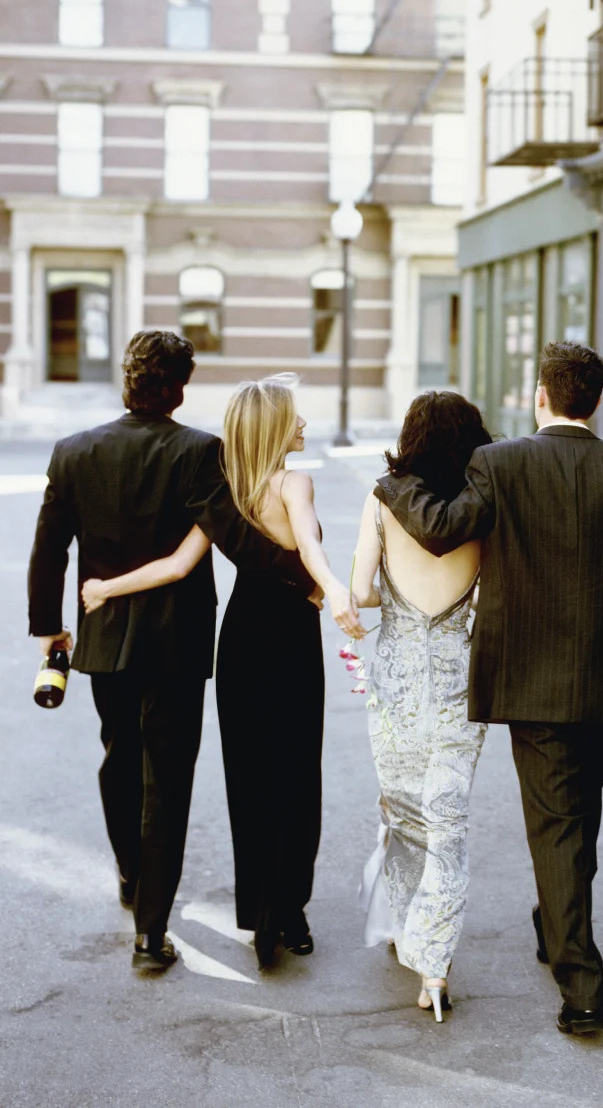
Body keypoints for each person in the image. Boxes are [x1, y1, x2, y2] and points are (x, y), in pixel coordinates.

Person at [373, 341, 603, 1035]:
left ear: (541, 395)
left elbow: (439, 530)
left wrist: (392, 482)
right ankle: (557, 929)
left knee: (560, 826)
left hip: (535, 683)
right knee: (577, 821)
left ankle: (582, 985)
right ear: (598, 402)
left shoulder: (498, 463)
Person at [27, 333, 319, 972]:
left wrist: (49, 627)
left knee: (118, 757)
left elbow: (49, 548)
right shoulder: (198, 452)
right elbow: (236, 537)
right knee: (169, 779)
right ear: (180, 387)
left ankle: (132, 875)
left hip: (103, 635)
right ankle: (150, 933)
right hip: (178, 643)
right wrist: (310, 583)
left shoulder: (74, 452)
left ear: (126, 381)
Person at [80, 374, 364, 969]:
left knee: (249, 777)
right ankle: (289, 913)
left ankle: (258, 909)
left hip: (238, 643)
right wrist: (334, 589)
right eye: (296, 417)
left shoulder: (228, 493)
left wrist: (107, 587)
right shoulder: (295, 482)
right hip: (288, 640)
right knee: (294, 776)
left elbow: (176, 565)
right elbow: (310, 551)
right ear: (275, 429)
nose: (305, 426)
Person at [350, 392, 492, 1022]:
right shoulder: (483, 504)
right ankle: (435, 965)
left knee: (404, 810)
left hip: (400, 674)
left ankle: (410, 928)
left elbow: (362, 592)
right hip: (462, 672)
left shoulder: (383, 499)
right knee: (449, 818)